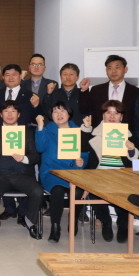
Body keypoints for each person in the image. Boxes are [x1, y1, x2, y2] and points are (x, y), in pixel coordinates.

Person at [0, 101, 42, 240]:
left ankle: (30, 221)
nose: (9, 114)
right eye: (6, 111)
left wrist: (24, 158)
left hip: (23, 174)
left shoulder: (26, 132)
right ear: (1, 114)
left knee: (38, 192)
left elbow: (35, 156)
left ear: (18, 114)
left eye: (13, 111)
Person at [81, 100, 139, 243]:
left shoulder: (130, 135)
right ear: (103, 115)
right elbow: (82, 147)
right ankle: (105, 221)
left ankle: (123, 224)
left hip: (122, 175)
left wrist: (131, 150)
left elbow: (136, 160)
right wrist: (86, 128)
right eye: (109, 112)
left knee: (124, 192)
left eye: (116, 113)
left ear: (121, 116)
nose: (112, 116)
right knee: (94, 191)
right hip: (99, 174)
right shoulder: (94, 133)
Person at [35, 101, 87, 243]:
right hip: (52, 172)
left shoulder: (78, 131)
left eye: (62, 110)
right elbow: (40, 148)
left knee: (78, 191)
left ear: (69, 113)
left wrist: (82, 161)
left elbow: (85, 153)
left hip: (73, 171)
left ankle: (73, 219)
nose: (59, 114)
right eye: (55, 111)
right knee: (57, 190)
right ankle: (55, 226)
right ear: (51, 115)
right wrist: (40, 127)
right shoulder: (46, 130)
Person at [79, 55, 139, 128]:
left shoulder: (137, 92)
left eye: (117, 67)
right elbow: (84, 110)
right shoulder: (96, 90)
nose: (113, 71)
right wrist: (84, 90)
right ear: (106, 71)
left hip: (127, 133)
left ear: (125, 69)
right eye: (110, 68)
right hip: (100, 132)